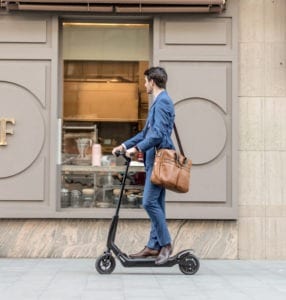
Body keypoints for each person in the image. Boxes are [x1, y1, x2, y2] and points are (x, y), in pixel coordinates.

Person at [112, 66, 175, 265]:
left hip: (159, 163)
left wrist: (136, 148)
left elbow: (156, 135)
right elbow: (147, 133)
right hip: (154, 162)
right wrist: (124, 145)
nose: (145, 84)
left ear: (152, 82)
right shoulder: (158, 102)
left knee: (148, 202)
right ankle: (152, 246)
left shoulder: (163, 102)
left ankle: (165, 245)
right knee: (157, 205)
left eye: (146, 81)